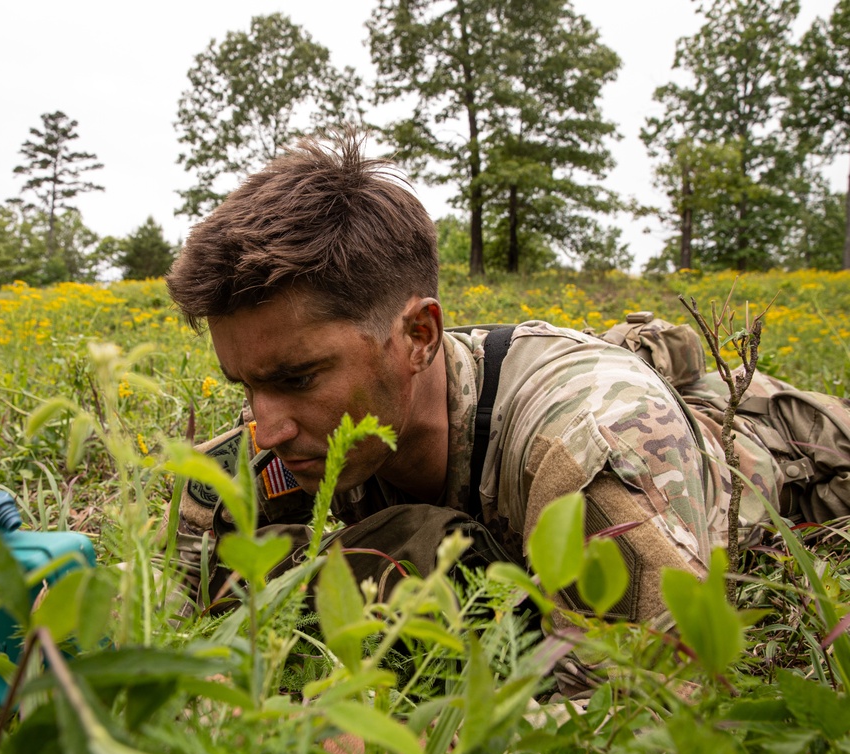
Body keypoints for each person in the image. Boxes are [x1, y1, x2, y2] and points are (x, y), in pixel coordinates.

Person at [164, 129, 850, 673]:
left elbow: (635, 720)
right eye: (246, 387)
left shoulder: (593, 451)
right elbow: (182, 630)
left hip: (799, 462)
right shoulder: (258, 462)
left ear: (418, 335)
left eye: (298, 378)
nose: (266, 426)